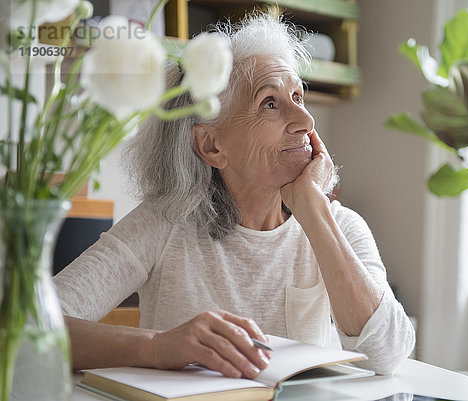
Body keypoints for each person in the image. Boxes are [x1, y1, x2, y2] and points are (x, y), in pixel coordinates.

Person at [54, 13, 415, 379]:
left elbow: (387, 355)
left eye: (297, 97)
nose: (305, 120)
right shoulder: (163, 224)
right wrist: (156, 347)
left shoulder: (340, 226)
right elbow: (30, 327)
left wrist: (314, 210)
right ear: (211, 146)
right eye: (270, 103)